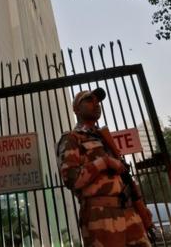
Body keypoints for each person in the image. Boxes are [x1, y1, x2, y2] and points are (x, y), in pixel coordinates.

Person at [56, 88, 152, 247]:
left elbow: (124, 176)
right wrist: (104, 162)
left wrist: (140, 205)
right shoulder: (71, 138)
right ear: (76, 109)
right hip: (100, 216)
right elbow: (71, 179)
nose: (96, 104)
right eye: (89, 100)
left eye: (98, 101)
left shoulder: (104, 138)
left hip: (129, 212)